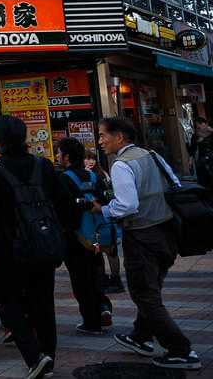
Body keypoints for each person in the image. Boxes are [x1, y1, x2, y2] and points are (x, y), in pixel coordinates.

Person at [92, 116, 201, 370]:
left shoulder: (121, 165)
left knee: (145, 294)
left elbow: (127, 205)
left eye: (102, 136)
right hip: (167, 232)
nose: (99, 142)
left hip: (142, 236)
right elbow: (174, 184)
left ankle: (181, 350)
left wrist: (103, 210)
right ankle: (140, 336)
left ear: (120, 137)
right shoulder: (151, 155)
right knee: (151, 289)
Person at [0, 115, 59, 379]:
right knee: (44, 303)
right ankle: (49, 357)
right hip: (44, 242)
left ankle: (35, 356)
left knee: (6, 299)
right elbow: (59, 203)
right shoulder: (44, 165)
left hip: (10, 245)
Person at [53, 137, 114, 335]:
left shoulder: (63, 179)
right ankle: (103, 308)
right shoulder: (93, 177)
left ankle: (91, 321)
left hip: (75, 237)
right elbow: (104, 201)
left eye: (58, 153)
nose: (56, 156)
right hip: (95, 234)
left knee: (80, 278)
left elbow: (64, 210)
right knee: (95, 272)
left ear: (67, 156)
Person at [84, 150, 125, 293]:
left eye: (93, 159)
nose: (90, 162)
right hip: (98, 219)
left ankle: (114, 279)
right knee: (98, 249)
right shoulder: (92, 175)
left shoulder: (100, 176)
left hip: (103, 217)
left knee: (109, 249)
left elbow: (107, 197)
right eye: (87, 159)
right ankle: (103, 278)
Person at [189, 117, 212, 189]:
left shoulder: (211, 132)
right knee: (203, 179)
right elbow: (192, 149)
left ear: (204, 124)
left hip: (211, 158)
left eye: (199, 124)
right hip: (202, 159)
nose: (197, 126)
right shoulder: (195, 135)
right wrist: (190, 161)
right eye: (196, 124)